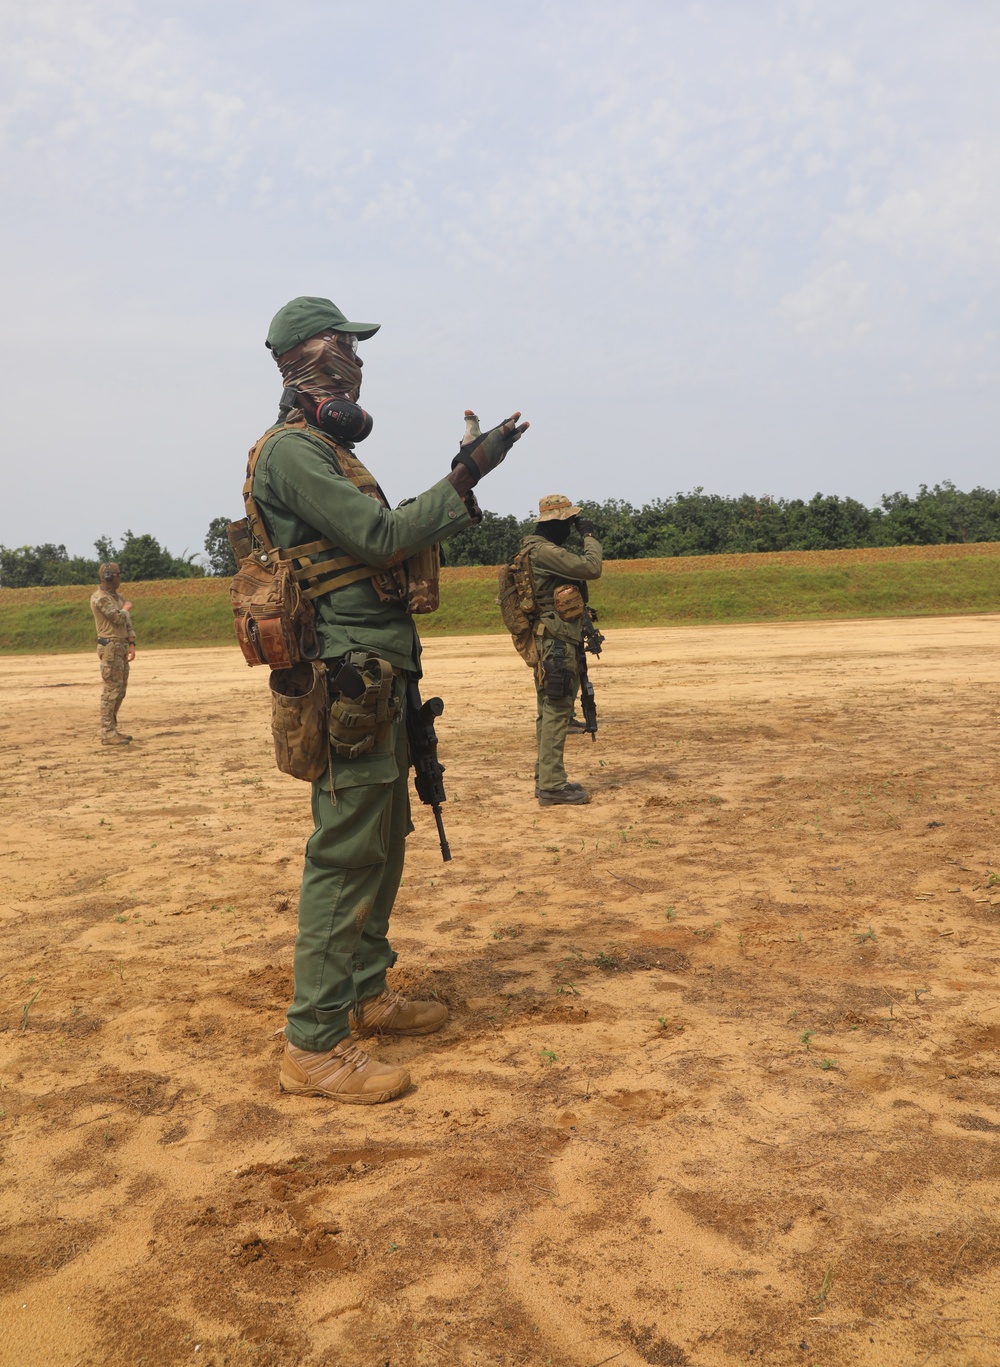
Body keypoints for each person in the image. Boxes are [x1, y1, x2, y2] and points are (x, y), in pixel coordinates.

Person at [249, 295, 528, 1104]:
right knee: (345, 854)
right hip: (348, 676)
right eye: (350, 349)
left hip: (380, 672)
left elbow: (388, 538)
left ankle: (365, 990)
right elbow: (379, 539)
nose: (361, 366)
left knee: (387, 837)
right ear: (318, 358)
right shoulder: (290, 455)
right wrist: (467, 475)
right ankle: (314, 1042)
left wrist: (458, 474)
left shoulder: (331, 454)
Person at [521, 495, 603, 806]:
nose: (571, 527)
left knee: (548, 711)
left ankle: (546, 778)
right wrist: (589, 536)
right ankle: (553, 786)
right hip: (555, 640)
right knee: (556, 711)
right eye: (568, 522)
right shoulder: (544, 551)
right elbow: (591, 567)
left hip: (547, 638)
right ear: (554, 523)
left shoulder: (532, 548)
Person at [90, 562, 136, 746]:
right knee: (111, 691)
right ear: (111, 576)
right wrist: (125, 609)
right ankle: (107, 732)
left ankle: (113, 729)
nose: (120, 577)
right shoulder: (100, 598)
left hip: (121, 646)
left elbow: (126, 623)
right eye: (118, 574)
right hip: (110, 647)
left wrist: (131, 642)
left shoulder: (116, 596)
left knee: (120, 690)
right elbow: (117, 617)